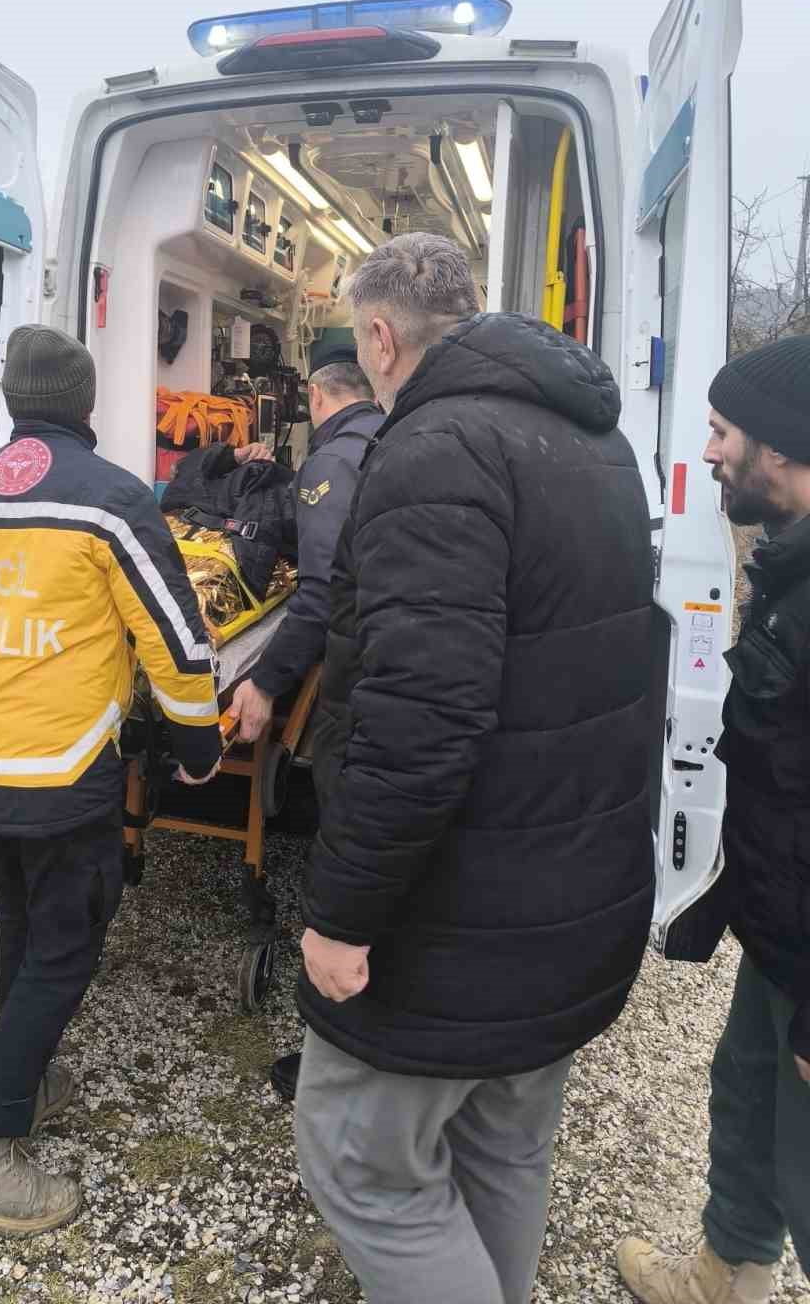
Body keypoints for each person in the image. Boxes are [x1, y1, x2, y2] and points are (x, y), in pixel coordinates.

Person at [294, 233, 655, 1304]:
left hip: (455, 921)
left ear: (377, 336)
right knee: (503, 1147)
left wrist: (345, 912)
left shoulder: (433, 450)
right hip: (569, 892)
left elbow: (422, 715)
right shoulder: (594, 439)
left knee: (360, 1163)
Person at [0, 324, 222, 1236]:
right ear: (86, 405)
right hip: (70, 766)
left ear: (10, 399)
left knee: (21, 920)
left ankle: (29, 1076)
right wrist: (198, 746)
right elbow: (173, 639)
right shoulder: (111, 500)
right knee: (66, 945)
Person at [618, 338, 810, 1304]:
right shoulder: (789, 568)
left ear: (779, 449)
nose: (710, 451)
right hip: (782, 936)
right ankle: (727, 1275)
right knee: (746, 1101)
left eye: (722, 432)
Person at [231, 344, 383, 1102]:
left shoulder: (330, 464)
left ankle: (341, 1041)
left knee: (348, 837)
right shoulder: (391, 442)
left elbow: (321, 596)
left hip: (364, 686)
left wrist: (263, 680)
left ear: (319, 400)